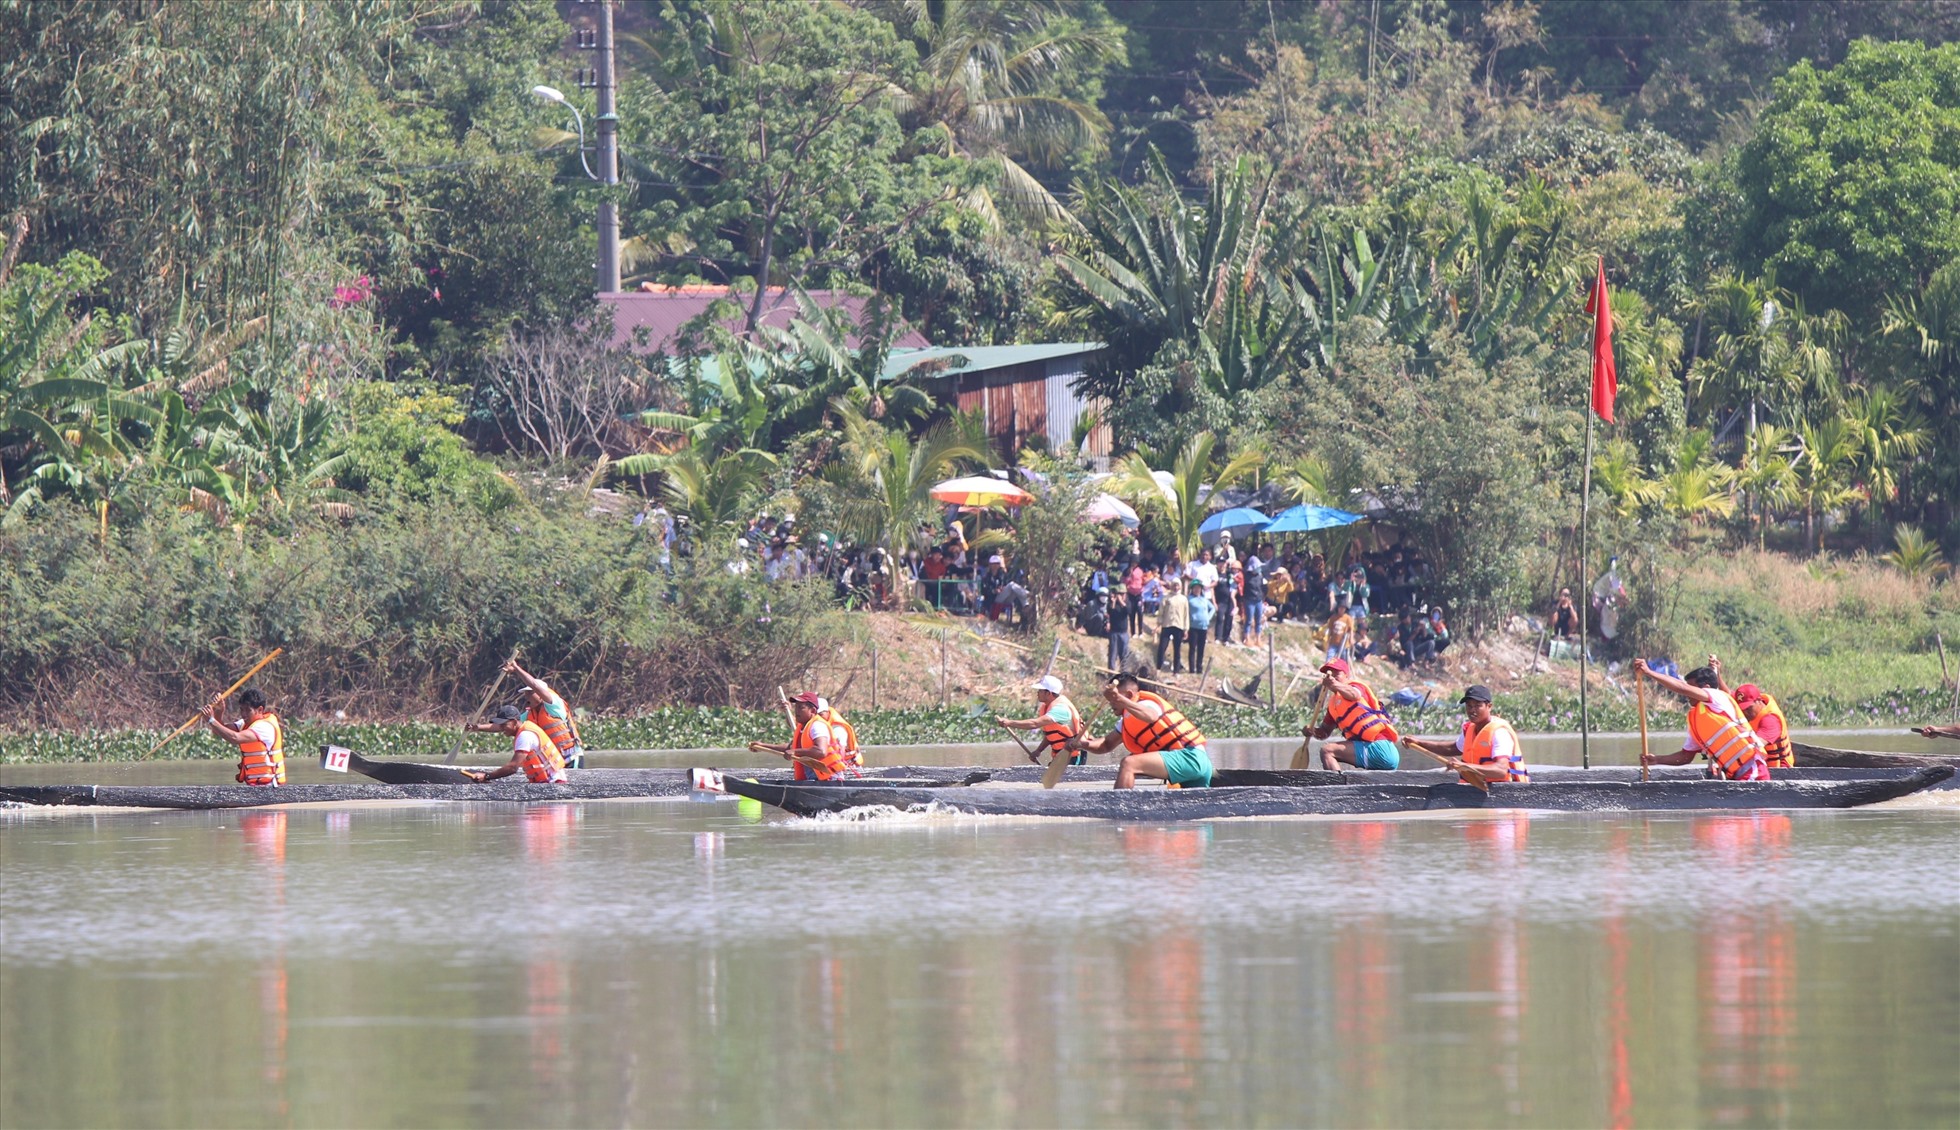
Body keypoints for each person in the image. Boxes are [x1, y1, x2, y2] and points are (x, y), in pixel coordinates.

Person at [1067, 669, 1213, 789]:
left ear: (1129, 695)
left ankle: (1119, 805)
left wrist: (1120, 699)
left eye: (1113, 699)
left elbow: (1151, 716)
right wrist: (1082, 744)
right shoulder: (1126, 721)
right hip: (1185, 765)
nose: (1110, 703)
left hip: (1191, 758)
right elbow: (1106, 744)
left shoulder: (1148, 703)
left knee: (1129, 763)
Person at [1634, 661, 1769, 780]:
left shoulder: (1716, 696)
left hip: (1752, 769)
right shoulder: (1696, 718)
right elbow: (1685, 756)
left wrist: (1650, 673)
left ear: (1705, 687)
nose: (1688, 695)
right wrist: (1657, 759)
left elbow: (1682, 688)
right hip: (1736, 775)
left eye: (1692, 688)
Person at [1399, 684, 1529, 785]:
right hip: (1477, 786)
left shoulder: (1499, 732)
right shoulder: (1470, 729)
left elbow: (1501, 771)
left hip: (1503, 790)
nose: (1472, 710)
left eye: (1478, 706)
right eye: (1469, 706)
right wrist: (1419, 743)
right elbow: (1452, 748)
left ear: (1489, 706)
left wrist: (1465, 766)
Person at [475, 659, 585, 770]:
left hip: (571, 757)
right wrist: (476, 727)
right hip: (555, 760)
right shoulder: (529, 715)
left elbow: (534, 685)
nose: (526, 696)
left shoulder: (554, 705)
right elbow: (503, 725)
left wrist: (516, 669)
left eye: (530, 693)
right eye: (526, 693)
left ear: (540, 694)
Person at [1304, 658, 1401, 771]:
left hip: (1380, 748)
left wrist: (1335, 684)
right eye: (1329, 674)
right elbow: (1324, 733)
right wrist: (1312, 731)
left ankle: (1337, 787)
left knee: (1327, 751)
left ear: (1346, 675)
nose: (1332, 677)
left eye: (1337, 673)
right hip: (1368, 748)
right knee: (1328, 750)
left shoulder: (1356, 686)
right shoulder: (1333, 705)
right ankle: (1341, 783)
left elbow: (1354, 695)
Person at [1708, 655, 1793, 769]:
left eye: (1748, 708)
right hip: (1758, 765)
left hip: (1779, 771)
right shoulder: (1753, 703)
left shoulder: (1770, 720)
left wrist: (1721, 751)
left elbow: (1754, 746)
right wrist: (1717, 673)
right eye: (1742, 708)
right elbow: (1727, 693)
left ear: (1758, 701)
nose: (1745, 712)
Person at [748, 692, 849, 780]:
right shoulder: (803, 727)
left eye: (801, 708)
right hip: (813, 779)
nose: (797, 711)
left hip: (829, 779)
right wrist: (762, 746)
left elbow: (821, 751)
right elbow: (790, 748)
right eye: (796, 707)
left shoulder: (817, 726)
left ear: (813, 711)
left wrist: (795, 752)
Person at [464, 703, 567, 784]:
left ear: (514, 722)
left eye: (504, 725)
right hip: (549, 781)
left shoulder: (525, 736)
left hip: (554, 782)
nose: (501, 729)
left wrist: (486, 776)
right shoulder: (524, 727)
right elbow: (498, 727)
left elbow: (512, 768)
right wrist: (476, 728)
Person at [996, 675, 1085, 766]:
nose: (1037, 693)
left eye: (1040, 691)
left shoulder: (1060, 709)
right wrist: (1039, 750)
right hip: (1061, 756)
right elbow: (1052, 734)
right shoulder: (1047, 708)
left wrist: (1009, 722)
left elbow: (1034, 724)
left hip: (1073, 756)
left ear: (1048, 693)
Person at [204, 686, 285, 786]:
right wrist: (219, 711)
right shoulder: (244, 724)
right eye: (242, 710)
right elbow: (218, 731)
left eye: (248, 710)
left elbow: (235, 738)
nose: (243, 714)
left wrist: (211, 720)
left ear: (260, 710)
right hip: (254, 786)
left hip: (271, 786)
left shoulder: (264, 727)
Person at [1155, 579, 1190, 673]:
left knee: (1177, 649)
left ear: (1180, 586)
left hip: (1179, 626)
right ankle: (1158, 667)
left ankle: (1176, 670)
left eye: (1177, 585)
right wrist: (1159, 624)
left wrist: (1186, 629)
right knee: (1162, 647)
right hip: (1167, 625)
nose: (1176, 587)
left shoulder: (1183, 599)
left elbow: (1186, 615)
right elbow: (1161, 611)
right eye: (1174, 585)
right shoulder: (1166, 597)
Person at [1185, 579, 1215, 676]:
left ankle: (1199, 668)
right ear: (1192, 589)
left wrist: (1208, 618)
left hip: (1203, 627)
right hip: (1193, 627)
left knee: (1201, 649)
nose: (1197, 589)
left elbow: (1213, 608)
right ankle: (1192, 669)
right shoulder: (1189, 599)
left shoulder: (1204, 599)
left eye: (1199, 588)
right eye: (1195, 588)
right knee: (1192, 648)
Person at [1106, 586, 1133, 672]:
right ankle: (1111, 673)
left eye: (1123, 594)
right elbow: (1110, 612)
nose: (1121, 596)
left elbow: (1128, 611)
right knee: (1113, 654)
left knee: (1124, 655)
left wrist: (1121, 601)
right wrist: (1114, 602)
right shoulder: (1112, 603)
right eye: (1120, 594)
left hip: (1124, 633)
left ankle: (1123, 673)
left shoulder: (1127, 603)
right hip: (1114, 632)